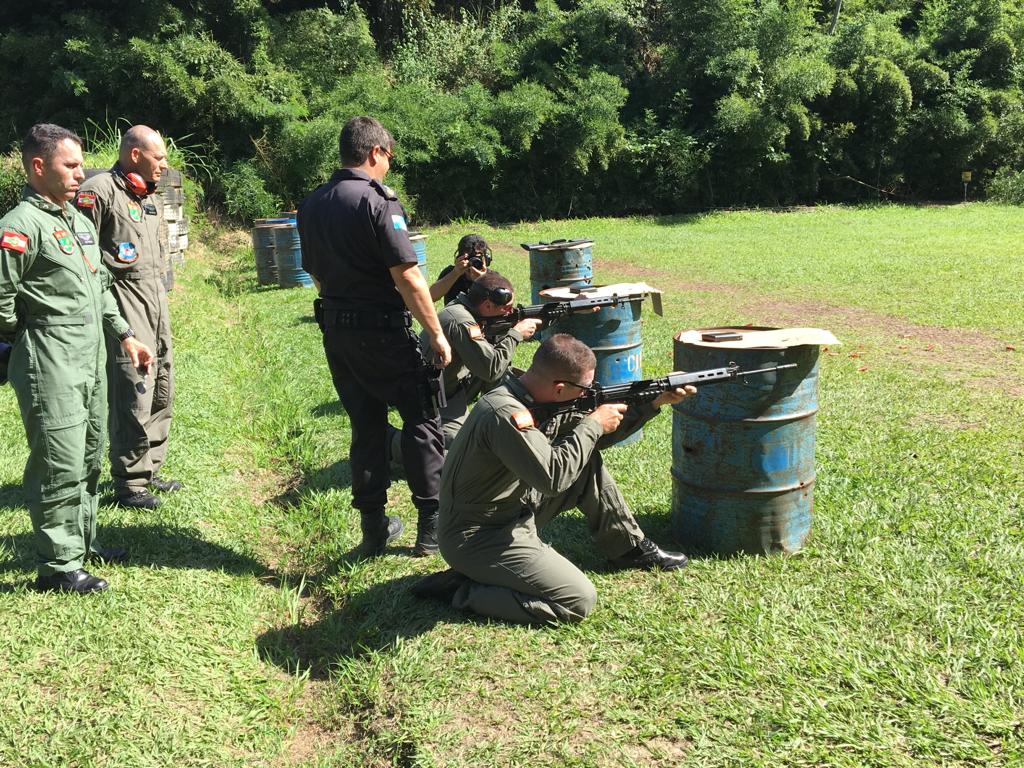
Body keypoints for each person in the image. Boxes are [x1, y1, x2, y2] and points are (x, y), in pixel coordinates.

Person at [414, 334, 694, 625]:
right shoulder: (506, 413)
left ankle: (627, 548)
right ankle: (462, 589)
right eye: (585, 389)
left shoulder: (532, 394)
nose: (589, 395)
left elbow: (588, 446)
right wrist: (592, 424)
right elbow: (553, 479)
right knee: (577, 600)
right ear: (559, 388)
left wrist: (654, 402)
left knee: (585, 463)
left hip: (510, 509)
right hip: (477, 535)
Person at [0, 123, 154, 593]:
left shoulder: (79, 222)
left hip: (90, 357)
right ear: (38, 166)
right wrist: (16, 346)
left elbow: (102, 289)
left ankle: (82, 543)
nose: (80, 173)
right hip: (50, 358)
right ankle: (57, 566)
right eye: (70, 165)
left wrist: (125, 334)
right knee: (58, 460)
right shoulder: (18, 227)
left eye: (80, 164)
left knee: (88, 454)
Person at [297, 116, 452, 557]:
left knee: (366, 426)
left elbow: (315, 274)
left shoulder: (312, 204)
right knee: (422, 419)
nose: (389, 166)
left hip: (337, 333)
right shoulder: (379, 201)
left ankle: (374, 529)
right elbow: (408, 277)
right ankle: (431, 527)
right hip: (382, 331)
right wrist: (435, 333)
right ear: (375, 153)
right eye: (389, 157)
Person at [75, 125, 178, 510]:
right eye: (159, 157)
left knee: (161, 386)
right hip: (125, 305)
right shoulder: (99, 191)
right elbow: (85, 257)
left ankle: (149, 468)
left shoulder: (147, 195)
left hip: (156, 306)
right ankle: (130, 481)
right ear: (135, 154)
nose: (165, 166)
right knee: (133, 393)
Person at [389, 271, 542, 463]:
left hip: (450, 391)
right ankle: (391, 441)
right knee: (461, 450)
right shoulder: (461, 320)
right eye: (507, 308)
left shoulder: (469, 310)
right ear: (487, 305)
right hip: (430, 400)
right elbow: (490, 369)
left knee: (473, 440)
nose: (510, 313)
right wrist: (515, 334)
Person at [429, 234, 490, 306]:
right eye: (469, 258)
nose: (473, 262)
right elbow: (430, 297)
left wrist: (483, 280)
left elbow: (498, 306)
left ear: (485, 259)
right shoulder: (451, 273)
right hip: (454, 316)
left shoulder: (492, 278)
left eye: (477, 259)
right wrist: (455, 273)